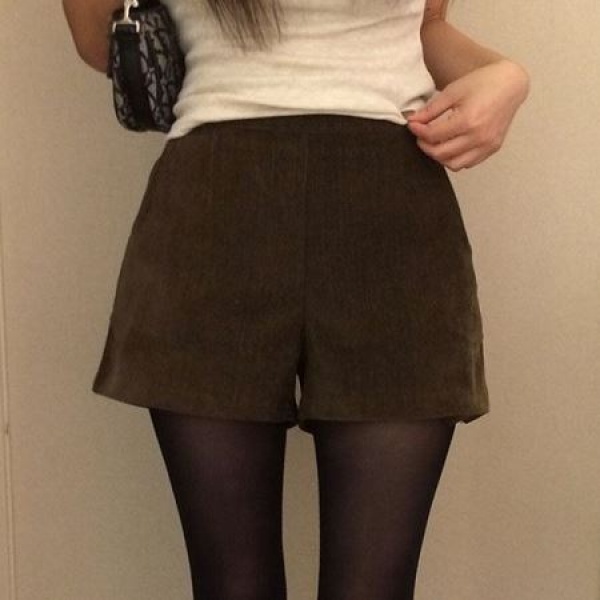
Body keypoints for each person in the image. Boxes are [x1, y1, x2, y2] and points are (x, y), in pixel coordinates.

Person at [63, 1, 529, 599]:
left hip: (390, 212)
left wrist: (507, 76)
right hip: (215, 205)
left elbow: (424, 23)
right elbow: (100, 40)